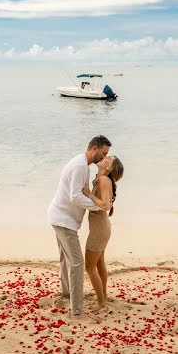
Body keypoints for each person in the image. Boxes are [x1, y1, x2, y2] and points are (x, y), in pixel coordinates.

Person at [48, 135, 112, 323]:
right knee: (76, 263)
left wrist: (96, 201)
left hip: (61, 218)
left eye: (106, 155)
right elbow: (75, 196)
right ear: (94, 148)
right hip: (63, 220)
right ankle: (77, 312)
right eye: (103, 153)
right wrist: (98, 206)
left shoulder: (83, 165)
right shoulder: (79, 166)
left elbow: (81, 194)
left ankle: (68, 294)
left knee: (67, 260)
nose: (104, 157)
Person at [83, 155, 124, 311]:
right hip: (102, 227)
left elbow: (106, 205)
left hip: (100, 230)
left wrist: (88, 193)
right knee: (99, 264)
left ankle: (101, 302)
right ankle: (103, 297)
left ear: (109, 168)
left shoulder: (104, 180)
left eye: (109, 158)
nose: (105, 156)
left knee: (89, 267)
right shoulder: (101, 179)